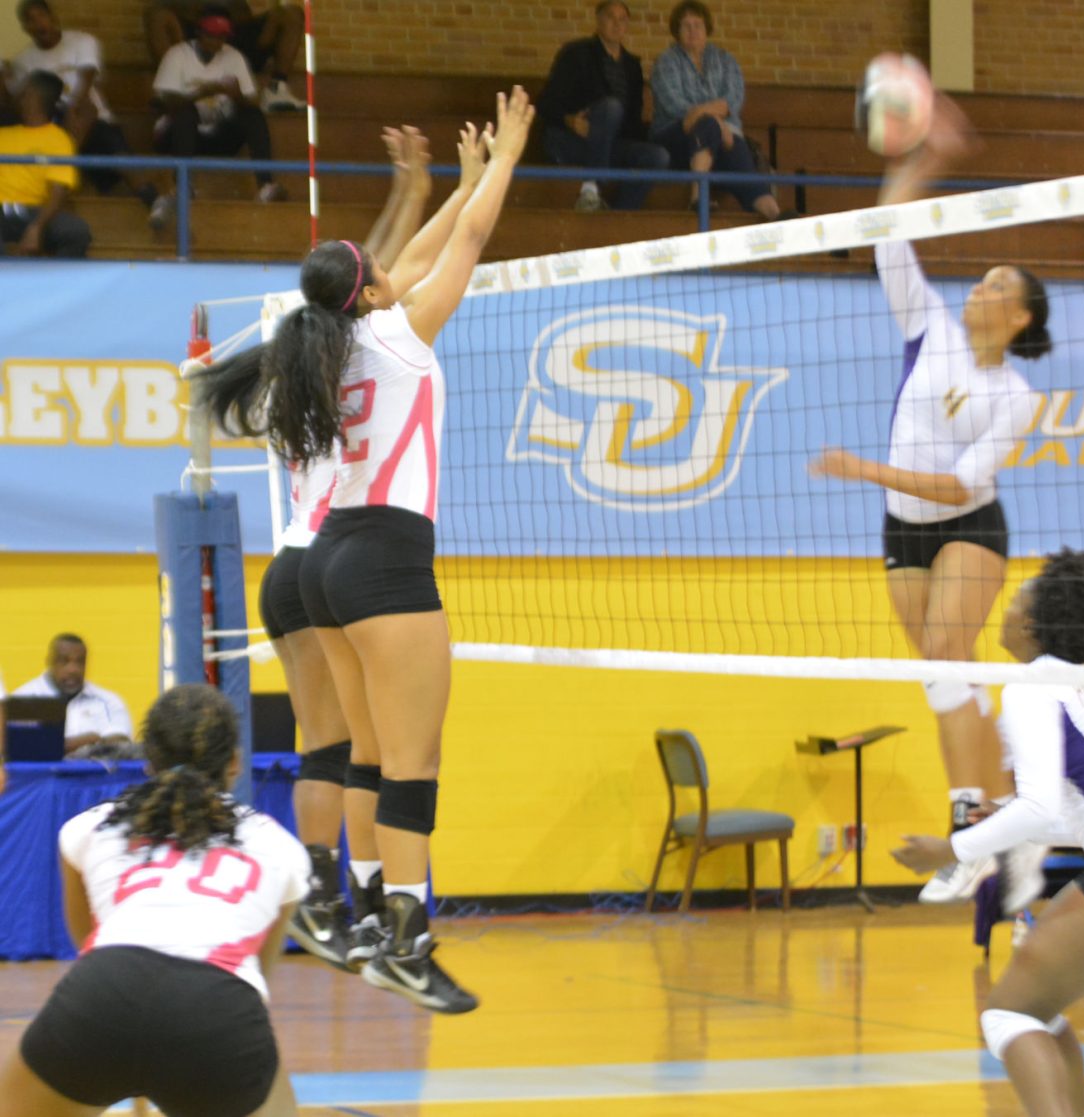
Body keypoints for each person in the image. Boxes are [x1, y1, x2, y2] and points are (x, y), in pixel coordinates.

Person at [196, 91, 532, 1011]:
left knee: (361, 754)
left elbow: (409, 260)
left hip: (329, 554)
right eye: (380, 273)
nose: (393, 273)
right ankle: (404, 937)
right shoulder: (393, 336)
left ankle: (365, 912)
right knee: (404, 762)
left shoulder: (320, 353)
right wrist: (502, 165)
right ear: (374, 292)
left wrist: (450, 186)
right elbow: (454, 253)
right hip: (381, 555)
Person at [811, 94, 1050, 905]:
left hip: (967, 527)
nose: (977, 288)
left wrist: (867, 470)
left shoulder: (1017, 395)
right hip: (902, 531)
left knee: (950, 644)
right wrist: (925, 160)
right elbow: (889, 229)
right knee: (948, 678)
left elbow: (956, 486)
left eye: (994, 285)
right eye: (979, 279)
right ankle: (1011, 827)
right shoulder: (932, 328)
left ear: (1016, 316)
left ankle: (969, 834)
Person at [893, 548, 1084, 1117]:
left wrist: (951, 848)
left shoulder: (1032, 688)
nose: (1003, 611)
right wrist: (1002, 818)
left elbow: (1037, 809)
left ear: (1032, 623)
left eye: (1013, 601)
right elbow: (1078, 809)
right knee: (1039, 1009)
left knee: (1006, 1015)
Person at [0, 684, 307, 1117]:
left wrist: (136, 1063)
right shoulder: (281, 848)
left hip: (103, 991)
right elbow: (255, 978)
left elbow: (88, 941)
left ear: (148, 762)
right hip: (217, 1010)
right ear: (236, 763)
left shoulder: (88, 827)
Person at [7, 0, 161, 211]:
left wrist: (73, 109)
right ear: (25, 28)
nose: (37, 23)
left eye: (41, 16)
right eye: (29, 21)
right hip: (53, 125)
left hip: (90, 120)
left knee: (100, 130)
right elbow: (22, 104)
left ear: (53, 17)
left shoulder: (82, 41)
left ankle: (153, 200)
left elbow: (87, 79)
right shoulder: (24, 61)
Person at [150, 4, 285, 229]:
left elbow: (252, 101)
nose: (217, 42)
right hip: (176, 136)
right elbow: (165, 103)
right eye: (212, 35)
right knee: (186, 112)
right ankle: (183, 184)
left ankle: (266, 185)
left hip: (217, 135)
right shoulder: (178, 55)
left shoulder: (233, 57)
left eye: (222, 36)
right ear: (199, 33)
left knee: (252, 114)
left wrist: (237, 96)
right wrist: (203, 92)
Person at [649, 0, 780, 219]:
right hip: (675, 136)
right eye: (686, 25)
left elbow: (733, 101)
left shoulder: (725, 60)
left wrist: (711, 118)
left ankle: (774, 212)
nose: (692, 31)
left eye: (697, 25)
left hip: (720, 136)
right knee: (709, 125)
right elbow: (675, 106)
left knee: (738, 155)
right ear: (676, 31)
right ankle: (698, 195)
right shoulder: (666, 61)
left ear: (706, 28)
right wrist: (715, 120)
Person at [538, 0, 668, 213]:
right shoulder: (576, 54)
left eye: (622, 20)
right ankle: (591, 187)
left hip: (609, 145)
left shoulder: (632, 66)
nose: (616, 24)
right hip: (570, 141)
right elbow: (546, 103)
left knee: (658, 156)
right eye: (610, 17)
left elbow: (633, 122)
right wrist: (569, 120)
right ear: (598, 21)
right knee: (611, 107)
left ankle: (618, 215)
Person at [145, 1, 306, 112]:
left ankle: (276, 88)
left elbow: (243, 12)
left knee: (292, 13)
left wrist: (224, 21)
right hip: (199, 31)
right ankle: (171, 86)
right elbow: (167, 6)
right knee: (157, 15)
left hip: (237, 30)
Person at [0, 69, 90, 257]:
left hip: (33, 212)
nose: (15, 95)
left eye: (22, 90)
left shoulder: (59, 140)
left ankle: (55, 284)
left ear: (30, 97)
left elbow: (59, 192)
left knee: (76, 232)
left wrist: (36, 227)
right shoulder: (4, 133)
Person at [13, 633, 135, 756]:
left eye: (80, 662)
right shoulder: (22, 699)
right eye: (64, 661)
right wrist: (91, 739)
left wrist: (57, 745)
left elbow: (120, 744)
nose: (73, 669)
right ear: (49, 662)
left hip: (93, 775)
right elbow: (19, 749)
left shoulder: (109, 701)